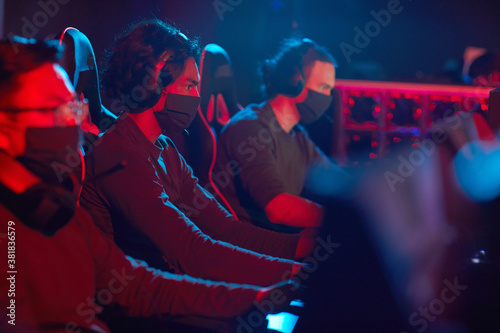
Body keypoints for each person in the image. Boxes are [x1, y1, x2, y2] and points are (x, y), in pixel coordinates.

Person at [0, 36, 299, 333]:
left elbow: (142, 285)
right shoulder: (118, 157)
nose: (71, 124)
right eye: (56, 110)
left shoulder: (57, 207)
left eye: (73, 109)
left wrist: (266, 293)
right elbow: (190, 251)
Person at [80, 19, 314, 287]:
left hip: (170, 293)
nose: (195, 97)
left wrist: (308, 249)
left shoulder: (164, 149)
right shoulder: (120, 155)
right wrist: (299, 274)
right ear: (153, 84)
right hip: (133, 308)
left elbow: (224, 229)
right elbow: (191, 251)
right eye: (189, 86)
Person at [214, 38, 345, 233]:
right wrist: (343, 218)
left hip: (283, 241)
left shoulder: (297, 134)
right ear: (295, 81)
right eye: (323, 88)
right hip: (255, 246)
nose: (327, 97)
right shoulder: (249, 129)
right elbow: (278, 208)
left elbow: (334, 178)